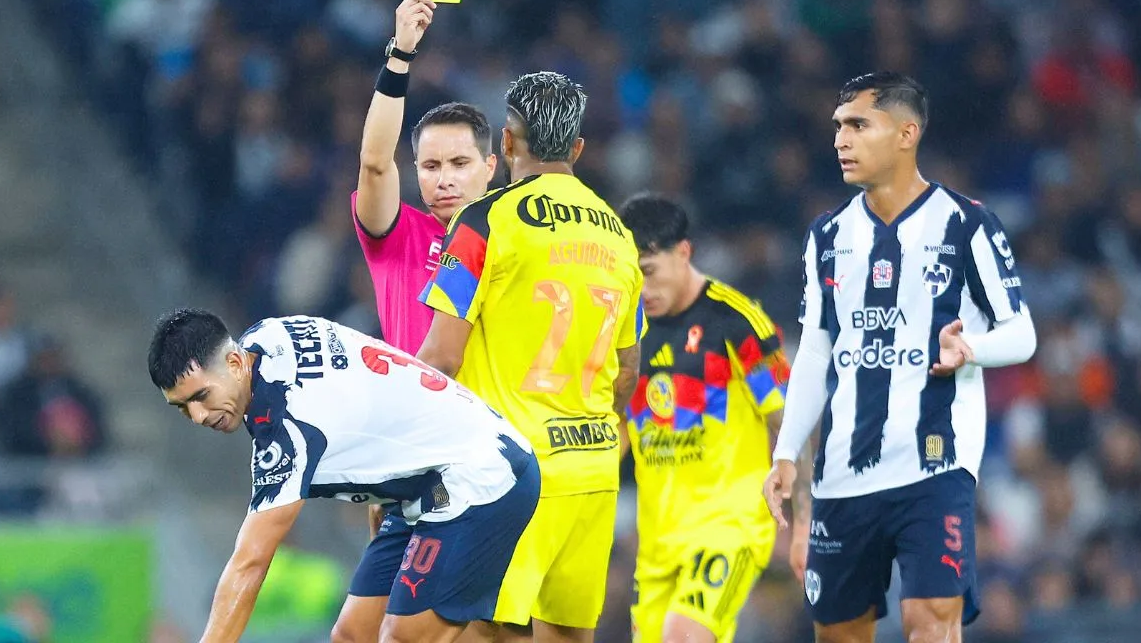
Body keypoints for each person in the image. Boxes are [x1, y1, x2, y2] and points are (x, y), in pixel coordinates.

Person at [763, 72, 1037, 643]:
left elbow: (1023, 334)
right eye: (838, 127)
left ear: (907, 133)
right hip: (843, 471)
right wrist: (786, 451)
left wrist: (972, 348)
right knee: (840, 632)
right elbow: (815, 350)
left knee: (931, 619)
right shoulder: (827, 235)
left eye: (858, 125)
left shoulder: (966, 224)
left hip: (934, 463)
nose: (841, 140)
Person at [146, 309, 539, 643]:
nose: (197, 416)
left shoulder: (289, 430)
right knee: (353, 635)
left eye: (201, 396)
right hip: (423, 481)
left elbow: (250, 562)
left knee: (403, 637)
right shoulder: (266, 335)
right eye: (181, 407)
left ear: (234, 363)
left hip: (479, 475)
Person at [417, 71, 645, 642]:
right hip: (593, 469)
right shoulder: (620, 237)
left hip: (512, 471)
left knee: (484, 630)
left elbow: (441, 359)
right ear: (577, 149)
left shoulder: (484, 221)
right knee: (566, 634)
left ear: (507, 142)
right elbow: (629, 372)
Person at [343, 0, 499, 642]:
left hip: (490, 459)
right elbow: (372, 161)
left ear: (491, 168)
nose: (444, 179)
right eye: (430, 166)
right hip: (411, 455)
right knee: (358, 632)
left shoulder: (512, 240)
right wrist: (400, 55)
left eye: (459, 164)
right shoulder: (398, 235)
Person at [617, 194, 790, 643]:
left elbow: (788, 419)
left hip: (728, 524)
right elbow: (618, 429)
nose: (642, 289)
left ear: (683, 252)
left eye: (649, 271)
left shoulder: (736, 320)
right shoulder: (624, 330)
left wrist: (806, 519)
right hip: (657, 541)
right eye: (631, 275)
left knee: (684, 636)